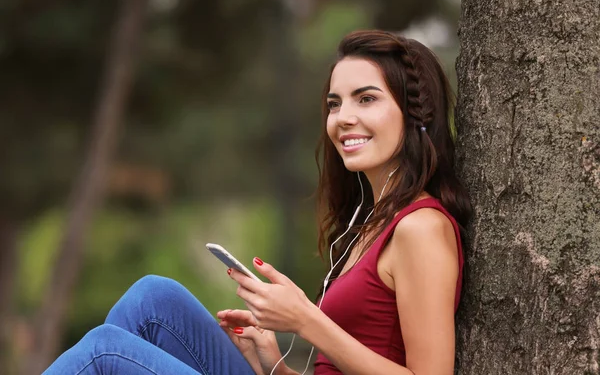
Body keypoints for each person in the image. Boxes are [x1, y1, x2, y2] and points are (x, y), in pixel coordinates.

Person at [43, 29, 472, 375]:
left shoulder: (421, 228)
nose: (343, 117)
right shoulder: (373, 223)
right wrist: (274, 363)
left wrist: (305, 319)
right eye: (334, 103)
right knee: (153, 300)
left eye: (367, 99)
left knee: (104, 353)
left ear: (417, 114)